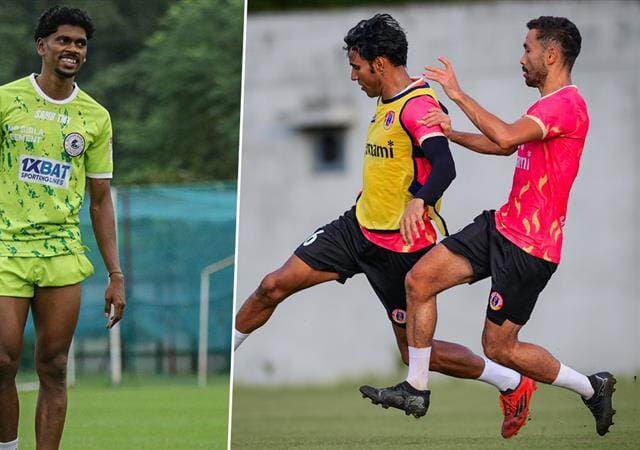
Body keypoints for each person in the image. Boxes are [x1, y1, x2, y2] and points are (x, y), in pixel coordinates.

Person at [234, 14, 537, 438]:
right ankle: (223, 365)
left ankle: (511, 382)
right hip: (356, 229)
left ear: (379, 64)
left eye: (357, 67)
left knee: (415, 354)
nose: (353, 76)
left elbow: (445, 166)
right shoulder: (386, 100)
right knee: (272, 285)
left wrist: (419, 200)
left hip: (403, 248)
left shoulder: (419, 106)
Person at [365, 16, 616, 436]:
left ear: (550, 55)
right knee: (419, 280)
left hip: (531, 247)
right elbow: (506, 148)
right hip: (500, 226)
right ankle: (417, 388)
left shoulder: (566, 105)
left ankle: (591, 387)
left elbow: (502, 137)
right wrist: (455, 133)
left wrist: (457, 95)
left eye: (528, 49)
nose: (523, 58)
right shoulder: (544, 106)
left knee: (499, 348)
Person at [0, 6, 126, 450]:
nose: (72, 50)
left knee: (54, 365)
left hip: (63, 252)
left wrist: (115, 275)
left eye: (80, 44)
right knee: (4, 360)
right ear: (42, 45)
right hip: (5, 249)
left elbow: (100, 199)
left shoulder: (95, 116)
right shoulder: (4, 100)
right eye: (64, 40)